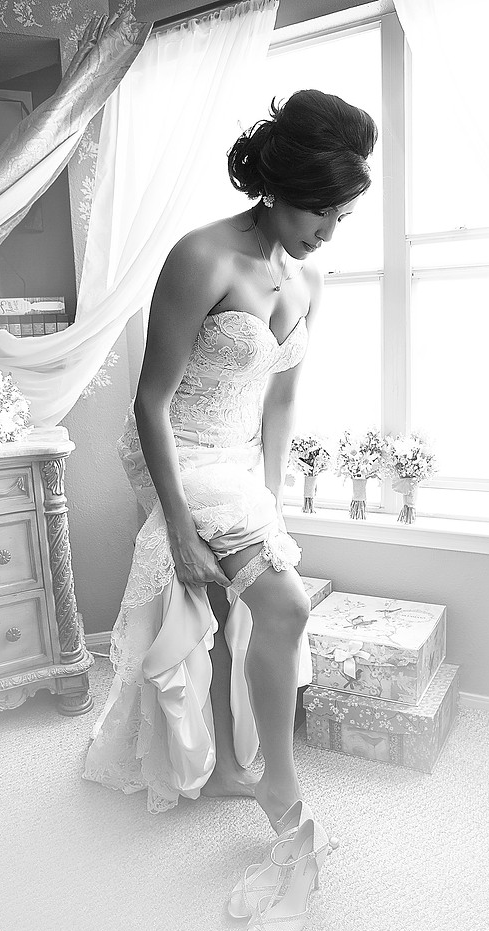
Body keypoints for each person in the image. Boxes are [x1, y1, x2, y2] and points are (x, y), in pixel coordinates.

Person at [83, 88, 377, 831]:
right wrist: (180, 529)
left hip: (241, 457)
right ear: (278, 188)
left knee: (229, 612)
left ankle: (224, 772)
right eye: (320, 211)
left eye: (341, 216)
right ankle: (280, 785)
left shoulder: (308, 280)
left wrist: (271, 501)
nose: (328, 232)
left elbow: (280, 402)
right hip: (178, 449)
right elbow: (150, 402)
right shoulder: (202, 256)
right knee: (287, 604)